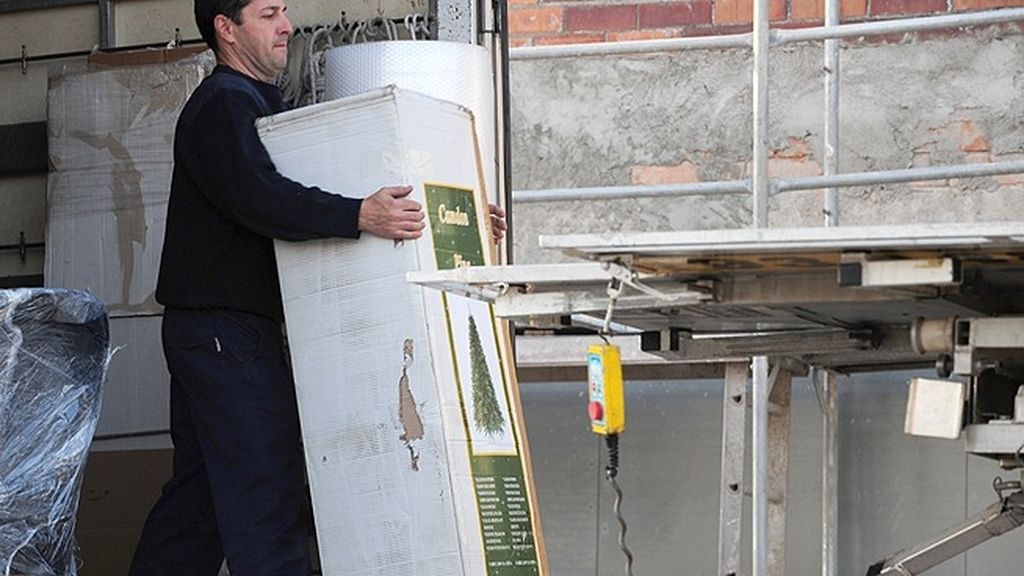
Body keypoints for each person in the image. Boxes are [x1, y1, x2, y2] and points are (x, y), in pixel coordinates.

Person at [129, 0, 504, 574]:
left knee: (200, 502)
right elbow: (264, 198)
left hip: (217, 334)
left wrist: (465, 213)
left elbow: (327, 187)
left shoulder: (262, 105)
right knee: (266, 490)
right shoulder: (224, 105)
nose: (287, 26)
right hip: (225, 335)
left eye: (284, 12)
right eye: (268, 14)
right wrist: (359, 215)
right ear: (226, 30)